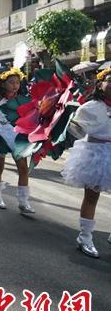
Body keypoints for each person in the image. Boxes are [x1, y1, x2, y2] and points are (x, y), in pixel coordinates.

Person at [61, 68, 111, 258]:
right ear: (100, 84)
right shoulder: (91, 107)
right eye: (110, 80)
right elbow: (76, 130)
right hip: (95, 153)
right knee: (92, 197)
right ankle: (85, 237)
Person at [0, 68, 34, 214]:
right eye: (11, 82)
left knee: (23, 168)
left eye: (17, 82)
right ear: (3, 84)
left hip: (17, 134)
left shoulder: (22, 100)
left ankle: (23, 201)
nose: (15, 85)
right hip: (0, 133)